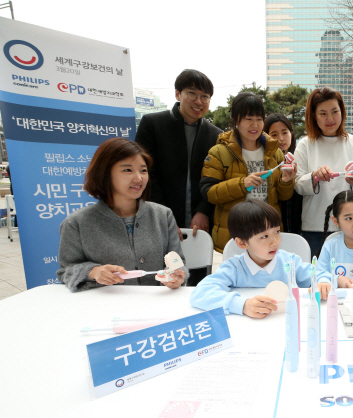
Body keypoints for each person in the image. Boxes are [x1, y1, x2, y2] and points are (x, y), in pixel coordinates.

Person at [57, 138, 188, 292]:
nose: (139, 178)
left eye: (143, 170)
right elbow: (66, 270)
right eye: (127, 170)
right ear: (105, 173)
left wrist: (178, 276)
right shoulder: (76, 223)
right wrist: (93, 271)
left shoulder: (163, 215)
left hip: (157, 304)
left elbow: (178, 262)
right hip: (105, 307)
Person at [135, 70, 221, 285]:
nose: (198, 101)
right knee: (159, 279)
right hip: (157, 218)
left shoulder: (216, 134)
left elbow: (217, 180)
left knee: (196, 280)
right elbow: (146, 174)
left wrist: (204, 211)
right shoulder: (153, 124)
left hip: (197, 224)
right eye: (192, 94)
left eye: (205, 97)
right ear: (177, 94)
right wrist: (164, 216)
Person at [190, 200, 331, 318]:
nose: (274, 241)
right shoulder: (233, 267)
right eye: (264, 236)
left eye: (277, 232)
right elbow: (200, 293)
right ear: (242, 243)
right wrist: (242, 305)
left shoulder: (290, 262)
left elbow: (318, 273)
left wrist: (323, 282)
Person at [200, 93, 297, 253]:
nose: (255, 125)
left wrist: (286, 181)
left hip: (268, 233)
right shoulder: (219, 152)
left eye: (259, 119)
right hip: (234, 234)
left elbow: (283, 196)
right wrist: (242, 184)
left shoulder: (274, 152)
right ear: (236, 120)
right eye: (248, 119)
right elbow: (209, 193)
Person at [294, 87, 353, 258]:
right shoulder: (305, 144)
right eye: (322, 113)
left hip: (350, 226)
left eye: (334, 111)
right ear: (313, 116)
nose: (330, 119)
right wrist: (314, 176)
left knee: (347, 275)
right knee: (316, 278)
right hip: (314, 226)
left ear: (342, 111)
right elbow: (298, 185)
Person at [265, 113, 303, 234]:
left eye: (285, 132)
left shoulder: (301, 158)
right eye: (274, 134)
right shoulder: (265, 163)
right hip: (274, 223)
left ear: (291, 134)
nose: (281, 138)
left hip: (298, 222)